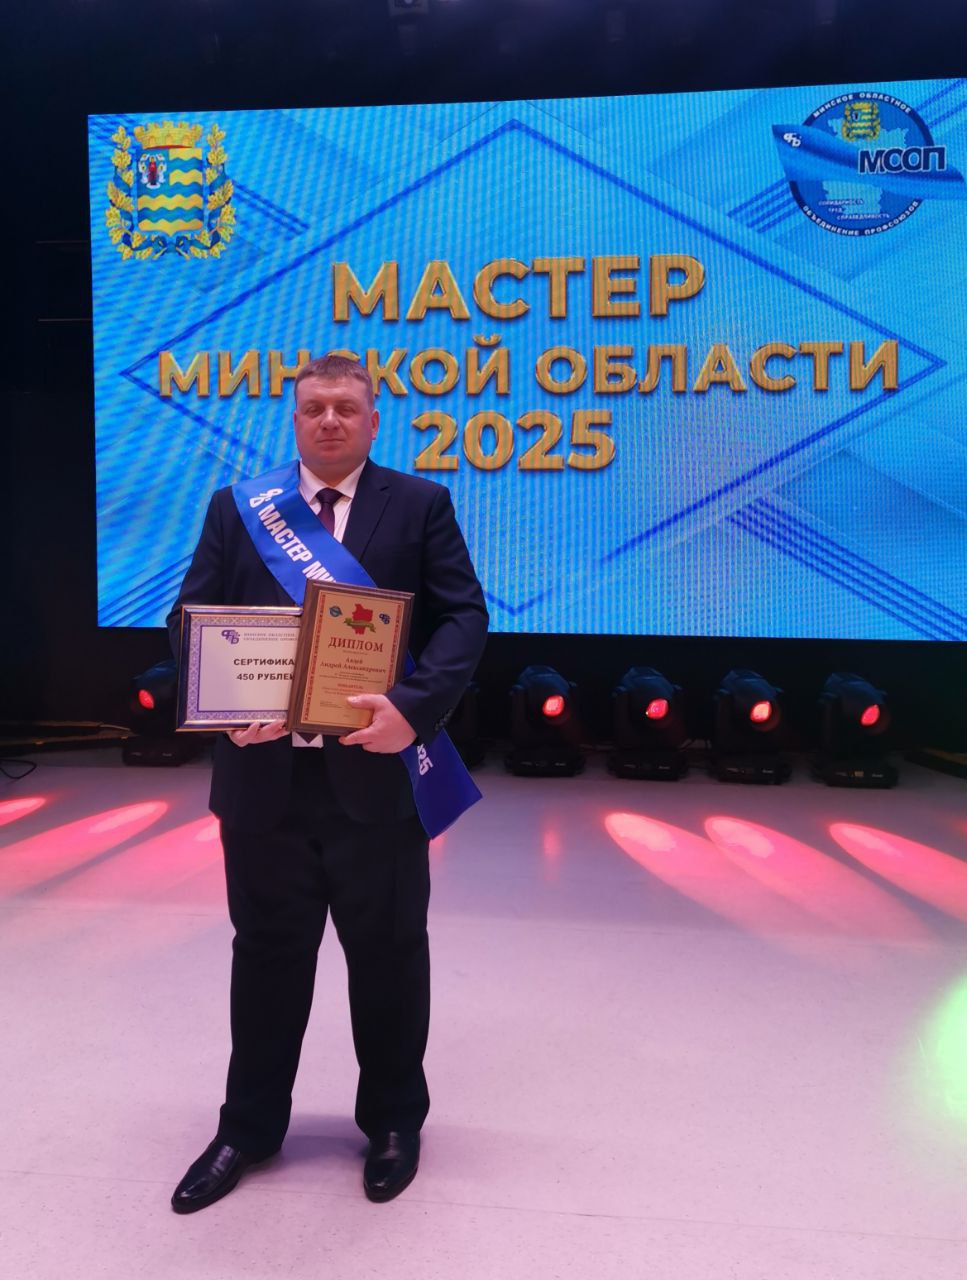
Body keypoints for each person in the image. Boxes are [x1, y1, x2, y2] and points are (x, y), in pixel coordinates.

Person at [166, 354, 488, 1213]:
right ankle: (247, 1128)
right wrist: (220, 702)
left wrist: (414, 711)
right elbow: (189, 619)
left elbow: (462, 617)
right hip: (263, 780)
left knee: (388, 957)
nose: (330, 421)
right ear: (295, 418)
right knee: (265, 958)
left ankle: (393, 1123)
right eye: (314, 408)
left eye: (346, 407)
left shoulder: (418, 503)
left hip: (375, 778)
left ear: (373, 420)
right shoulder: (237, 508)